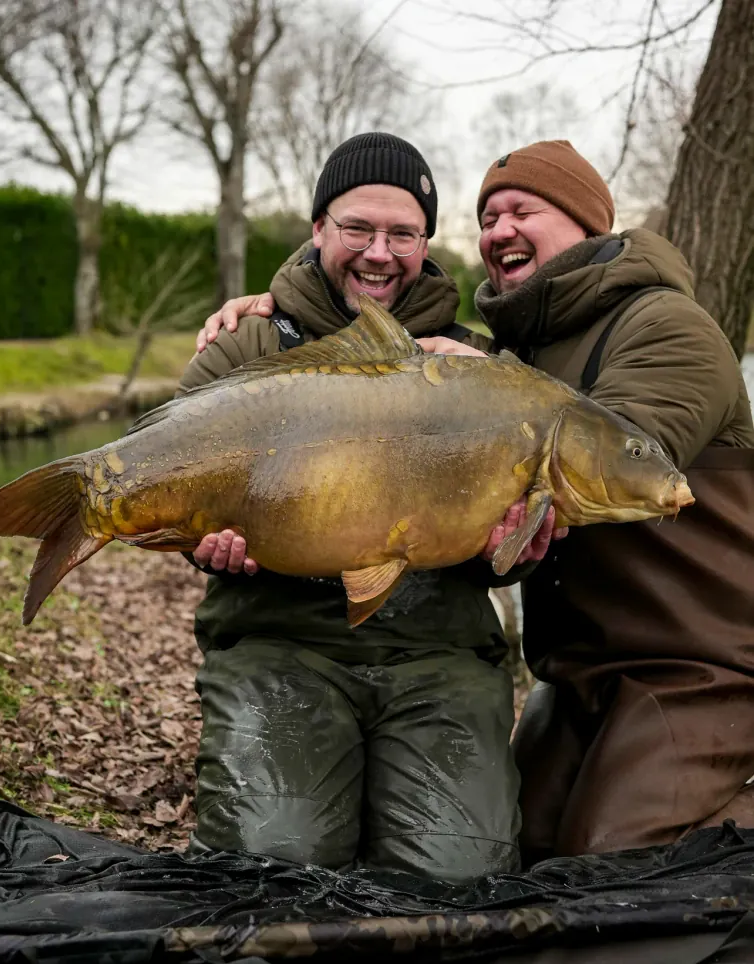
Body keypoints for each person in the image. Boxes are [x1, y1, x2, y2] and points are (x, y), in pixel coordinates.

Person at [203, 139, 754, 867]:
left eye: (523, 210)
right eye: (488, 217)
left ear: (591, 225)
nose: (499, 232)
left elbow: (614, 452)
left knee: (607, 872)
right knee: (532, 857)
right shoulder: (518, 346)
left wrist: (492, 386)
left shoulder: (660, 326)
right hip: (575, 672)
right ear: (318, 231)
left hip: (695, 667)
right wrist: (272, 315)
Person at [177, 133, 559, 881]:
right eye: (358, 228)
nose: (379, 253)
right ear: (318, 228)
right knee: (273, 866)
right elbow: (173, 480)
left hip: (438, 654)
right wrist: (198, 540)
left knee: (463, 878)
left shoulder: (474, 364)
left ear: (426, 242)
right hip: (278, 643)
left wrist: (509, 545)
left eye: (403, 234)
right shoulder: (243, 345)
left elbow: (501, 546)